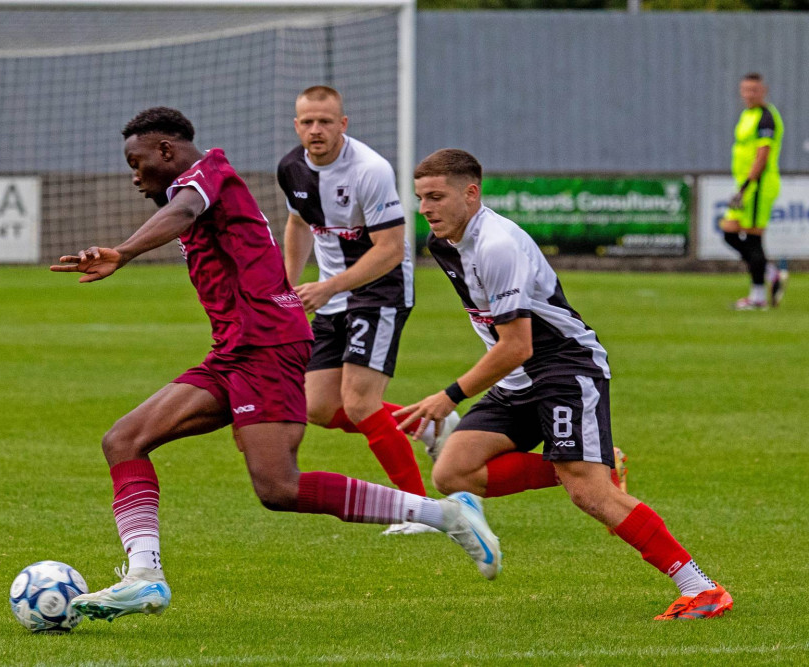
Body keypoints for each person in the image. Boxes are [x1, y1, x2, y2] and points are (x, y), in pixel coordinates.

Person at [49, 108, 501, 622]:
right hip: (234, 349)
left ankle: (447, 514)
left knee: (279, 488)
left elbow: (184, 211)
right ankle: (145, 577)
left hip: (266, 346)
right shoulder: (197, 184)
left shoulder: (205, 175)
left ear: (168, 151)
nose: (134, 175)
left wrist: (125, 251)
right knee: (124, 440)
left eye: (137, 162)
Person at [396, 148, 732, 621]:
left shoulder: (498, 244)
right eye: (420, 198)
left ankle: (701, 588)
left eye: (436, 196)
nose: (426, 208)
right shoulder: (444, 243)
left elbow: (517, 345)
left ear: (471, 193)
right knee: (454, 472)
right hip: (518, 377)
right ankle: (580, 462)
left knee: (592, 495)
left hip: (563, 368)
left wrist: (448, 396)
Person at [277, 86, 458, 536]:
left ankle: (423, 512)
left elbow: (392, 249)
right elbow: (298, 223)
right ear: (296, 125)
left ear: (343, 123)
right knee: (319, 407)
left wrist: (328, 286)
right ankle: (430, 427)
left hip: (381, 289)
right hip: (332, 294)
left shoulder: (369, 170)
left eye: (325, 121)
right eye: (307, 122)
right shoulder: (291, 168)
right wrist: (283, 288)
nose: (315, 130)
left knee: (360, 402)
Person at [720, 72, 787, 310]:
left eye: (754, 90)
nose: (749, 94)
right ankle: (770, 272)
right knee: (729, 231)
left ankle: (758, 297)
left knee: (752, 238)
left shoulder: (766, 118)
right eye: (746, 90)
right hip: (746, 186)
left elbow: (763, 155)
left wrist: (748, 185)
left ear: (763, 91)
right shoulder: (747, 115)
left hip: (758, 186)